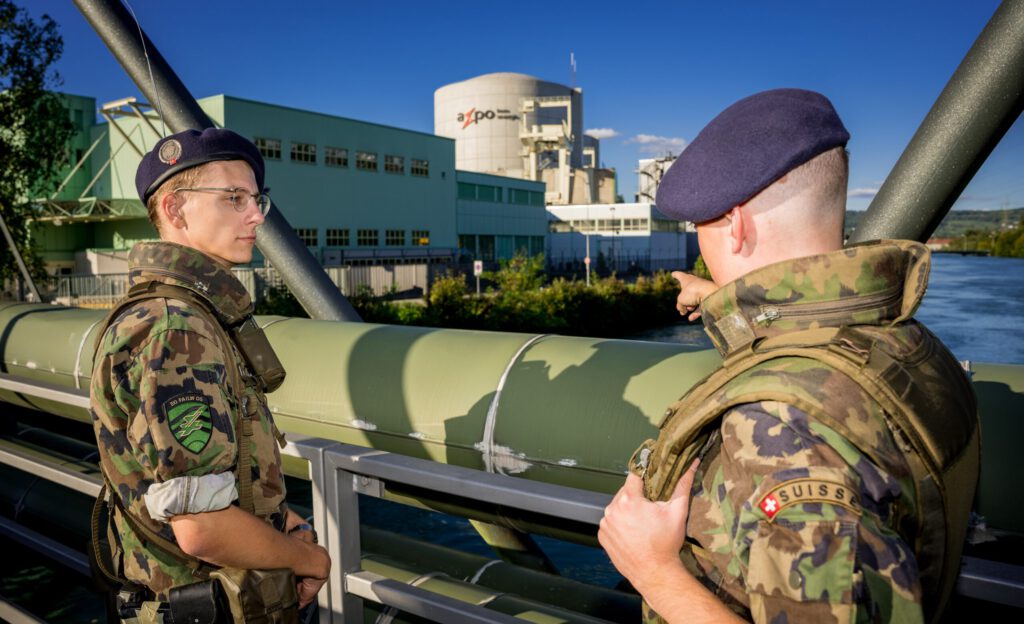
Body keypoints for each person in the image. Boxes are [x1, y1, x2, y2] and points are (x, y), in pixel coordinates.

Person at [598, 89, 979, 623]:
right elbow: (814, 342)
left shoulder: (788, 431)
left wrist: (652, 570)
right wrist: (724, 301)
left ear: (736, 224)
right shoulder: (909, 345)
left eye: (698, 227)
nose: (697, 243)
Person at [90, 128, 330, 621]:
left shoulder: (164, 311)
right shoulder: (177, 328)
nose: (257, 215)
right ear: (177, 210)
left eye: (256, 198)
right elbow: (201, 526)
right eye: (234, 197)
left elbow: (199, 475)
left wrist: (277, 519)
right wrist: (310, 559)